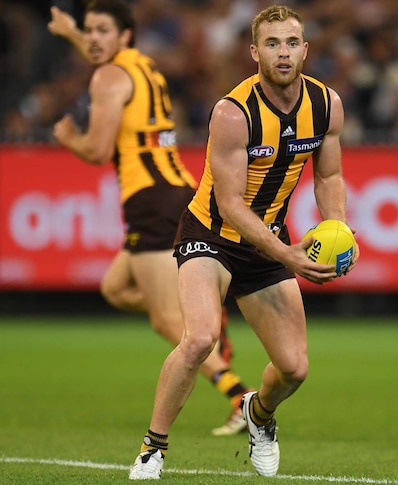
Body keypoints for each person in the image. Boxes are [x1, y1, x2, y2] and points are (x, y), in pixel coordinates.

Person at [127, 4, 356, 480]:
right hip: (211, 234)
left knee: (294, 369)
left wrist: (337, 228)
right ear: (254, 52)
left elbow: (329, 175)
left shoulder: (326, 104)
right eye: (272, 44)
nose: (284, 53)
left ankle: (258, 416)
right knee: (200, 338)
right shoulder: (233, 112)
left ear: (306, 49)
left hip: (267, 239)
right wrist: (289, 256)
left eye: (292, 42)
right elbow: (230, 204)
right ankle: (153, 449)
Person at [49, 0, 252, 438]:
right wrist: (70, 34)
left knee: (164, 320)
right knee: (116, 288)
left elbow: (98, 151)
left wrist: (68, 138)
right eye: (91, 31)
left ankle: (240, 396)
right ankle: (202, 314)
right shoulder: (141, 65)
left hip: (150, 200)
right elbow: (103, 55)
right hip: (177, 188)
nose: (94, 39)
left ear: (123, 37)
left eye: (103, 30)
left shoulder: (108, 76)